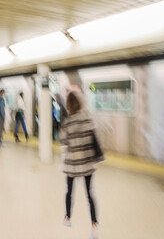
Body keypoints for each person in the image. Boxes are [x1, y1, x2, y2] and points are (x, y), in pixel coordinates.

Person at [60, 90, 103, 239]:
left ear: (69, 105)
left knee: (69, 192)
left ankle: (67, 218)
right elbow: (94, 138)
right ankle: (94, 227)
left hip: (72, 163)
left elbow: (63, 141)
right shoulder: (87, 118)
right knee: (90, 194)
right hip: (87, 163)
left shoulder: (68, 122)